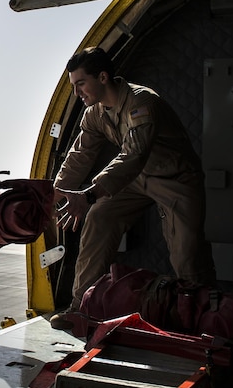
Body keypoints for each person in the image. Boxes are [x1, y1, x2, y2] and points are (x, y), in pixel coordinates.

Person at [51, 47, 216, 328]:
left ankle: (203, 320)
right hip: (136, 180)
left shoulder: (142, 102)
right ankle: (82, 307)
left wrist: (89, 195)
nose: (77, 93)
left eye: (80, 84)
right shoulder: (94, 113)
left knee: (187, 255)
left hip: (176, 180)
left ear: (102, 77)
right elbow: (79, 156)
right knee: (99, 218)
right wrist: (52, 194)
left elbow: (133, 155)